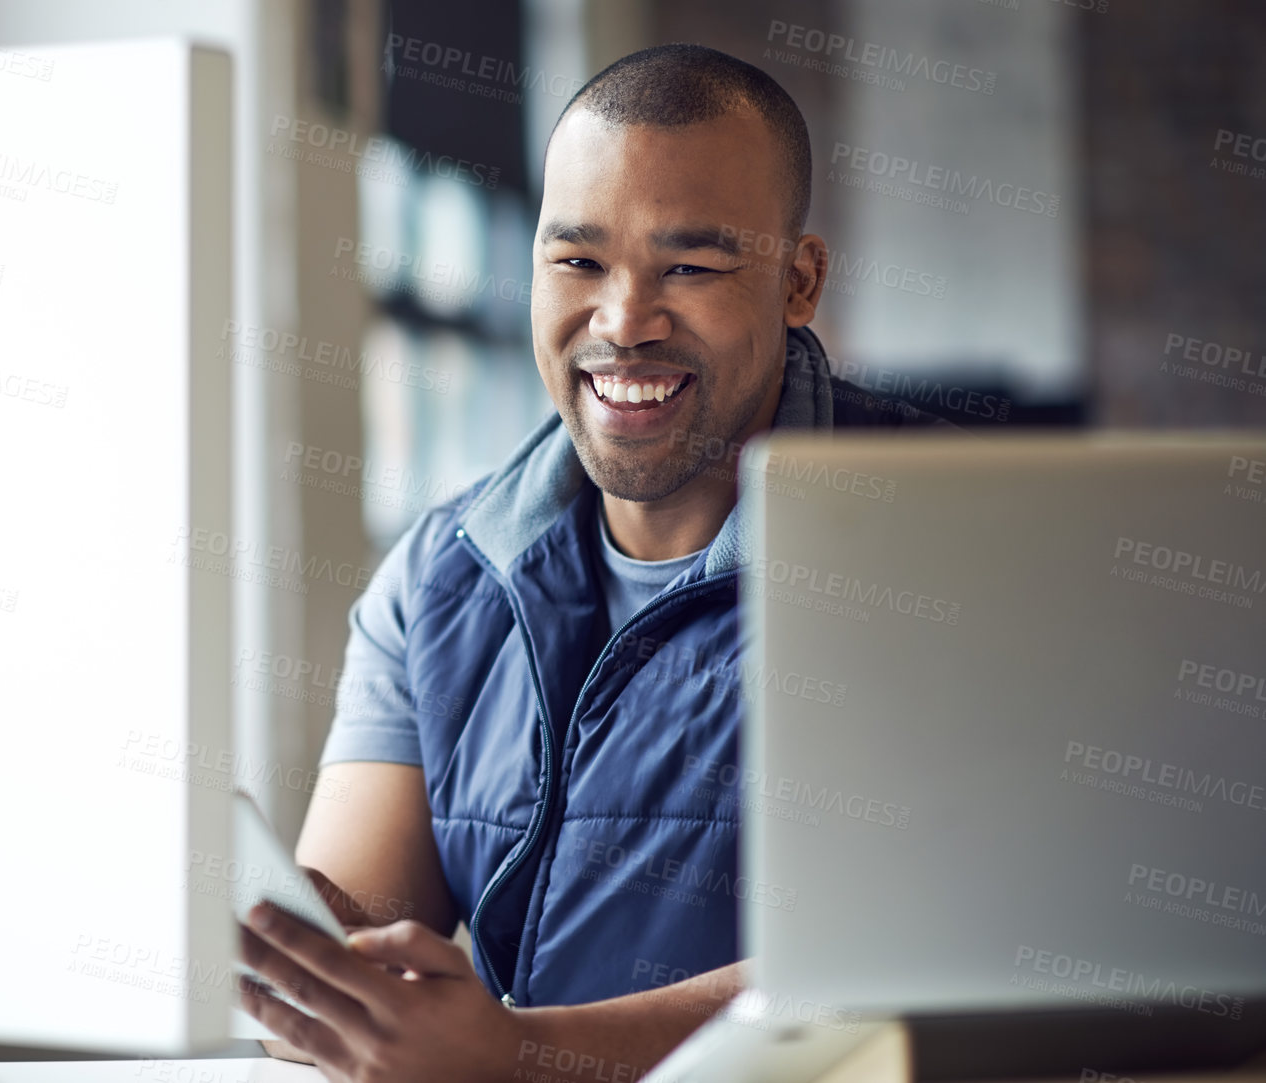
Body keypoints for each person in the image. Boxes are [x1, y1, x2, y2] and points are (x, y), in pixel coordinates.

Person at [238, 43, 952, 1080]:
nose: (621, 323)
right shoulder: (438, 576)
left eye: (690, 268)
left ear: (797, 283)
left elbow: (924, 963)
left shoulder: (952, 550)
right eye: (576, 262)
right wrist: (305, 970)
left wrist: (523, 1055)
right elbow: (349, 943)